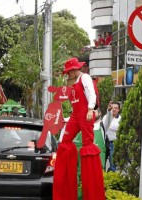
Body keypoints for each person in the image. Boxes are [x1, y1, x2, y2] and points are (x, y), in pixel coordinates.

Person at [53, 57, 105, 200]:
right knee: (65, 141)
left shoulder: (85, 78)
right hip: (76, 115)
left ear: (75, 69)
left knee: (88, 144)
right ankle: (67, 185)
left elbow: (91, 94)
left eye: (69, 72)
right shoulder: (75, 82)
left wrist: (90, 110)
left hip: (86, 114)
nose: (68, 74)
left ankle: (91, 189)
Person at [102, 101, 121, 172]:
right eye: (112, 107)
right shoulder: (106, 117)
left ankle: (111, 177)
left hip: (114, 143)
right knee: (102, 161)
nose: (114, 109)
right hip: (105, 142)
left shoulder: (120, 119)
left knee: (112, 163)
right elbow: (103, 127)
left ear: (118, 110)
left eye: (116, 108)